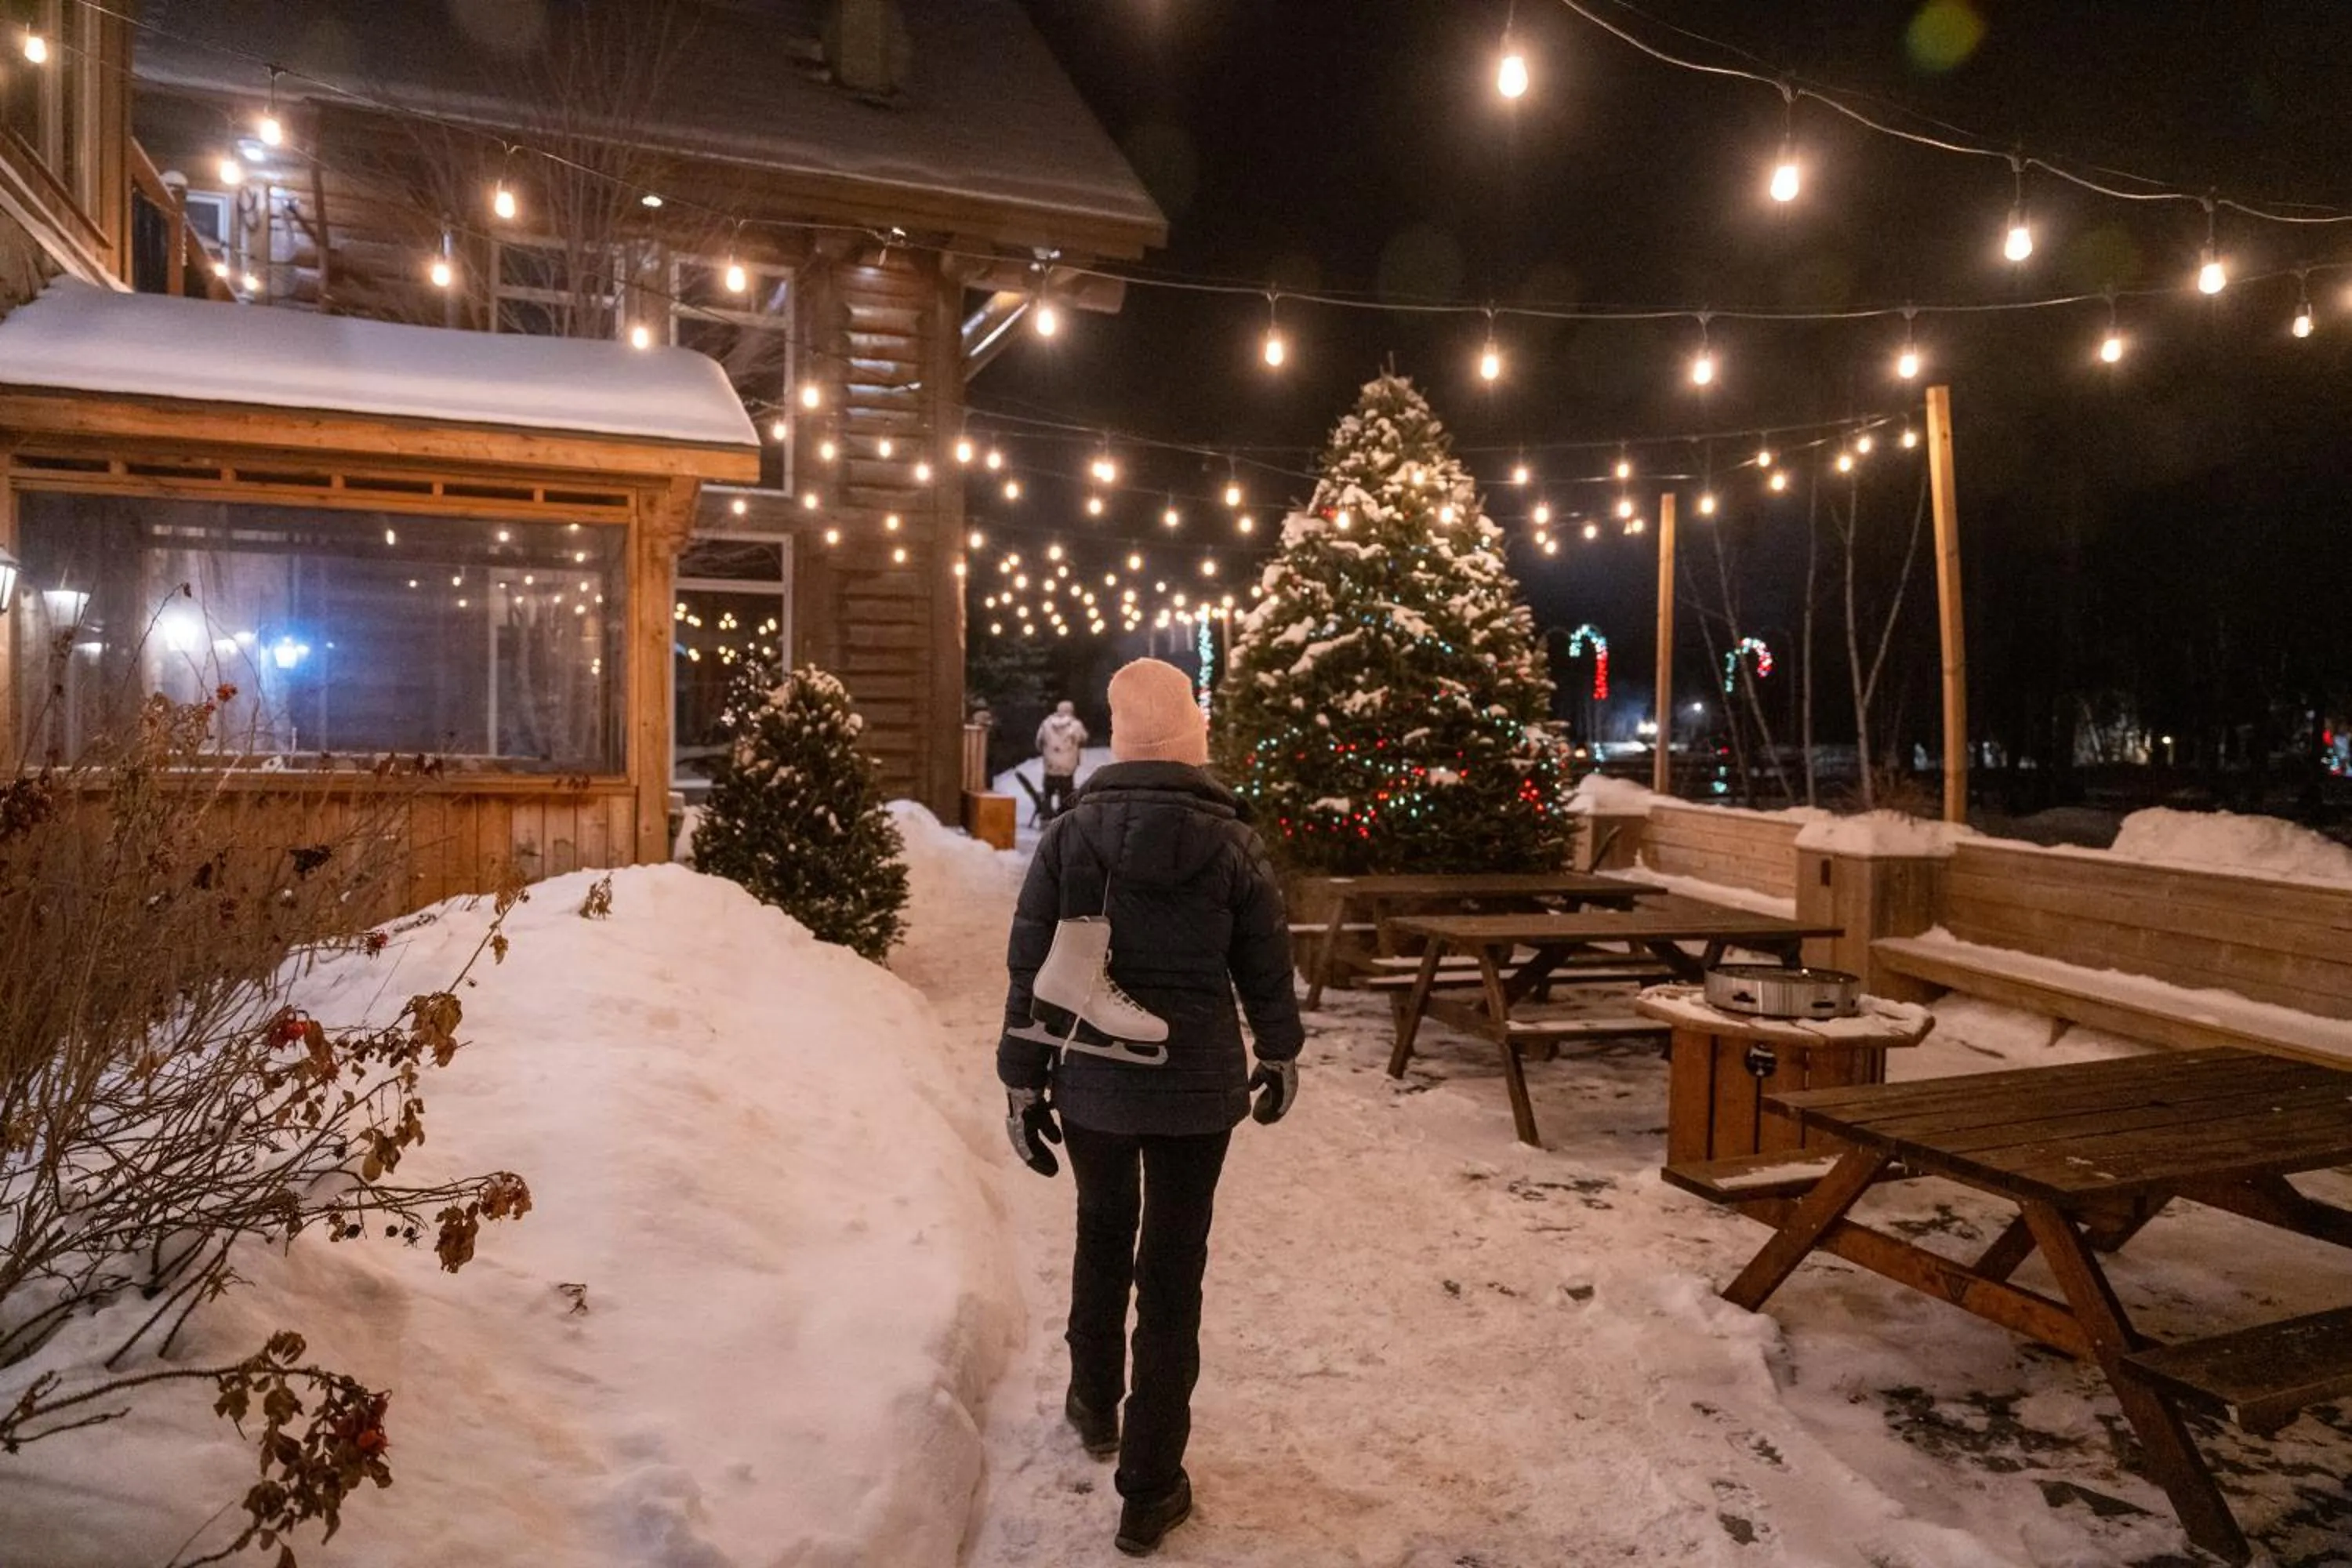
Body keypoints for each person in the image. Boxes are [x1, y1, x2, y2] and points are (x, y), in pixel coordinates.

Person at [998, 658, 1303, 1557]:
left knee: (1101, 1233)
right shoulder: (1234, 842)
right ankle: (1150, 1486)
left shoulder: (1072, 836)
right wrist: (1281, 1053)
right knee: (1173, 1275)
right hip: (1197, 1085)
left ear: (1121, 739)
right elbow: (1264, 967)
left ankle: (1095, 1401)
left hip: (1094, 1078)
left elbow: (1031, 974)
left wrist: (1023, 1078)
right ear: (1191, 736)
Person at [1035, 699, 1087, 821]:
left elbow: (1038, 742)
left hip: (1050, 766)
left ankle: (1046, 818)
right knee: (1066, 794)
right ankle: (1063, 820)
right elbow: (1083, 738)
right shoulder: (1076, 725)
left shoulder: (1046, 723)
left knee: (1048, 792)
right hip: (1067, 767)